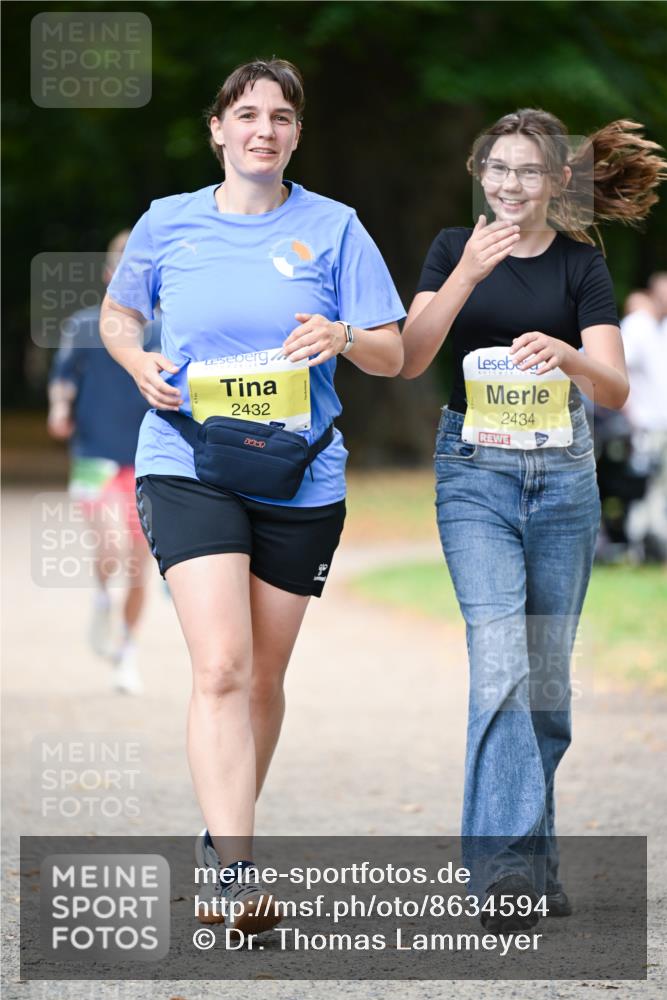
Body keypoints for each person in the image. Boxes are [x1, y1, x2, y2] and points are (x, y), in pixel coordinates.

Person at [99, 59, 404, 933]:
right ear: (218, 129)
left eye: (279, 117)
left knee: (264, 677)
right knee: (222, 665)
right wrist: (134, 358)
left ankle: (217, 838)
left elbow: (391, 352)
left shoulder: (336, 229)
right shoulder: (169, 223)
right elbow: (122, 316)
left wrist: (342, 333)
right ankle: (236, 869)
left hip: (299, 471)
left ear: (297, 134)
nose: (262, 129)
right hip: (186, 458)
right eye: (245, 115)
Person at [401, 111, 666, 932]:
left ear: (556, 182)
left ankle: (535, 863)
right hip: (473, 475)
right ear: (479, 174)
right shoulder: (453, 249)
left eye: (526, 172)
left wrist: (568, 353)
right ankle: (502, 873)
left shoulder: (582, 264)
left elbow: (614, 390)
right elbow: (410, 357)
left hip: (561, 481)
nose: (508, 186)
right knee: (501, 656)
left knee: (544, 689)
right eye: (496, 170)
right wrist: (463, 281)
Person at [47, 230, 162, 695]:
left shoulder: (166, 330)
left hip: (149, 459)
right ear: (109, 274)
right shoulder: (83, 326)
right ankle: (100, 596)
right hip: (95, 454)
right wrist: (59, 409)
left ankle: (127, 653)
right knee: (111, 548)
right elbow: (62, 378)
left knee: (140, 564)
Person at [620, 278, 667, 560]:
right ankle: (638, 546)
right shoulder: (640, 324)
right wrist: (629, 411)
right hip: (647, 423)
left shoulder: (658, 328)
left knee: (656, 487)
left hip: (658, 421)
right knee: (644, 486)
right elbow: (616, 364)